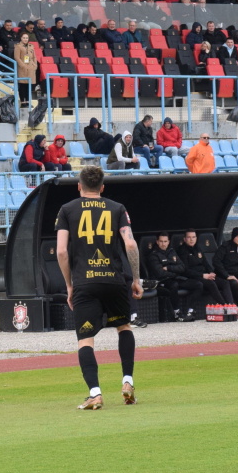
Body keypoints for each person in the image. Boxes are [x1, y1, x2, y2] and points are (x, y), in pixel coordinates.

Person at [55, 166, 142, 410]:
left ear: (79, 186)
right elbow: (131, 244)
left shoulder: (67, 210)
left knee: (85, 339)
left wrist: (70, 285)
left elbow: (61, 251)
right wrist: (136, 279)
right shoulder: (117, 208)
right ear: (103, 188)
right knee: (123, 326)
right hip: (114, 280)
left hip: (84, 282)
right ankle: (127, 382)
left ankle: (95, 393)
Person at [146, 233, 204, 322]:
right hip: (162, 281)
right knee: (174, 285)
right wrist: (175, 271)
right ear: (157, 242)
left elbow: (182, 267)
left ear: (168, 242)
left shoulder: (171, 252)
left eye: (165, 241)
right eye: (161, 241)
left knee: (198, 284)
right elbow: (160, 273)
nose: (163, 244)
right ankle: (177, 312)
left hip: (176, 278)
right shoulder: (153, 255)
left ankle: (190, 312)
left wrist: (169, 268)